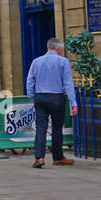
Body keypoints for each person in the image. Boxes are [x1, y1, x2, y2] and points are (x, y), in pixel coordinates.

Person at [25, 37, 78, 168]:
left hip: (40, 97)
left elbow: (30, 81)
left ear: (48, 47)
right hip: (56, 97)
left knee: (41, 128)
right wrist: (73, 102)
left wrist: (33, 97)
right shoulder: (63, 61)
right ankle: (58, 157)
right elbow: (67, 83)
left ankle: (39, 158)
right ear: (59, 49)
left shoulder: (36, 61)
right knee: (56, 129)